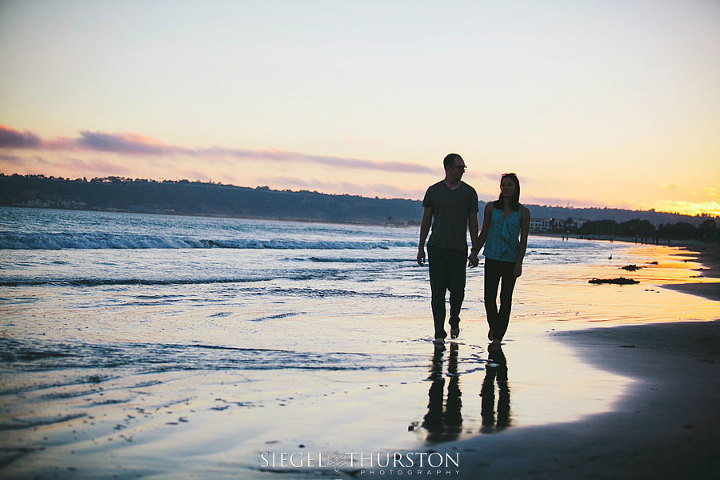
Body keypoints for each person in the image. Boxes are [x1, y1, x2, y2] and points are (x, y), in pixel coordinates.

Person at [417, 153, 480, 344]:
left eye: (463, 167)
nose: (462, 170)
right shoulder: (433, 191)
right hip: (436, 247)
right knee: (437, 292)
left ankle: (454, 318)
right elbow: (426, 220)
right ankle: (438, 333)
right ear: (448, 168)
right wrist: (421, 247)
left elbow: (473, 223)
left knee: (457, 290)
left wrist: (474, 250)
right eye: (459, 167)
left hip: (458, 249)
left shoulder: (469, 192)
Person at [475, 173, 530, 346]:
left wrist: (519, 263)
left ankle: (498, 337)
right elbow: (484, 232)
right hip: (492, 256)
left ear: (516, 188)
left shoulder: (523, 212)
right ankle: (495, 326)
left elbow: (524, 240)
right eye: (503, 185)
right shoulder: (491, 208)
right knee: (489, 297)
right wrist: (474, 251)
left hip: (511, 260)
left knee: (506, 299)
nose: (506, 188)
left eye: (509, 185)